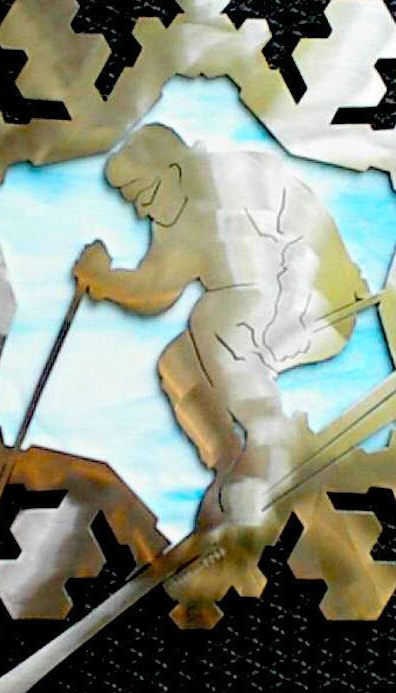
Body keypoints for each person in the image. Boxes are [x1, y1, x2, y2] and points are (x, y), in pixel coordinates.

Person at [73, 125, 368, 532]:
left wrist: (105, 280)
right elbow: (158, 287)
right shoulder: (178, 212)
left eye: (145, 196)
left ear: (173, 171)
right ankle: (230, 462)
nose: (142, 212)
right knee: (178, 361)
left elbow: (306, 244)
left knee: (214, 317)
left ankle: (268, 441)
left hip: (318, 300)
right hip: (266, 309)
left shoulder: (237, 180)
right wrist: (104, 280)